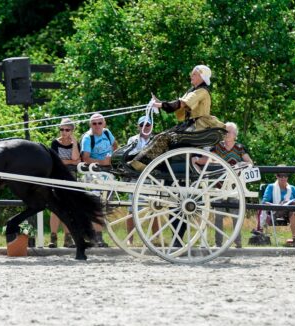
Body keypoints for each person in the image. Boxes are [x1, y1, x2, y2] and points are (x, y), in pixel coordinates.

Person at [129, 65, 225, 171]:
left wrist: (160, 105)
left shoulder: (202, 91)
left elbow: (181, 104)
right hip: (190, 126)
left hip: (197, 127)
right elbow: (177, 104)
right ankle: (141, 163)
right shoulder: (193, 90)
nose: (191, 76)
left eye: (194, 74)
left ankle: (141, 165)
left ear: (202, 76)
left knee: (163, 137)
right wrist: (159, 103)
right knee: (159, 136)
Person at [194, 122, 253, 248]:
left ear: (235, 135)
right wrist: (196, 160)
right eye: (225, 132)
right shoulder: (217, 146)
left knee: (236, 214)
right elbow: (207, 159)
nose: (226, 134)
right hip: (218, 185)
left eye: (229, 132)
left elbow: (249, 163)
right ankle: (218, 243)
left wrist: (241, 165)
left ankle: (238, 243)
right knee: (218, 215)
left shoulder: (240, 148)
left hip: (234, 187)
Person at [81, 113, 118, 247]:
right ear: (90, 125)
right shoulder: (87, 138)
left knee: (105, 205)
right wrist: (102, 161)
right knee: (97, 205)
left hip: (108, 172)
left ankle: (97, 236)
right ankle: (97, 237)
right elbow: (85, 158)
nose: (97, 126)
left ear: (104, 124)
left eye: (99, 123)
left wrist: (112, 157)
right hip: (94, 173)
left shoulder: (107, 133)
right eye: (94, 123)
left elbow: (115, 145)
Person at [262, 169, 295, 246]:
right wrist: (278, 204)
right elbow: (264, 202)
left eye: (286, 175)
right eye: (281, 176)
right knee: (294, 204)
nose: (283, 178)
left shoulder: (292, 188)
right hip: (277, 211)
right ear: (277, 176)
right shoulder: (271, 187)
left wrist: (292, 202)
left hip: (291, 211)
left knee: (293, 210)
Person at [125, 114, 157, 244]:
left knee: (154, 209)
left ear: (151, 126)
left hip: (152, 178)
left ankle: (156, 238)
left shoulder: (156, 139)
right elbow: (129, 157)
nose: (145, 127)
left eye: (148, 124)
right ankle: (130, 239)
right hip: (135, 177)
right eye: (142, 125)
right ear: (138, 127)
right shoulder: (133, 140)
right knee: (132, 209)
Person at [49, 118, 81, 248]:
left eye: (67, 130)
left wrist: (73, 144)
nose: (63, 132)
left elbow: (77, 159)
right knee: (56, 209)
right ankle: (53, 237)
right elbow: (57, 161)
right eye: (61, 129)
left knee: (69, 208)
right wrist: (72, 162)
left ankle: (68, 238)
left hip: (71, 178)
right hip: (57, 177)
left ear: (72, 131)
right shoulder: (55, 143)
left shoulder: (76, 143)